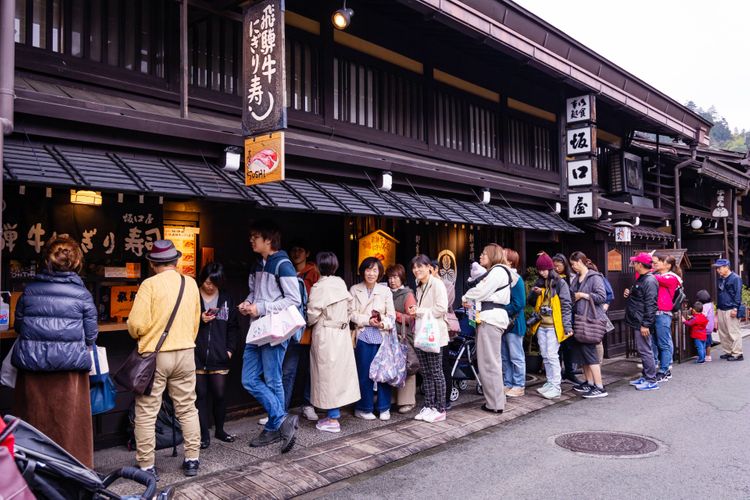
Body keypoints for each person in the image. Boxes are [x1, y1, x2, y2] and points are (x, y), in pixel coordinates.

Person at [12, 236, 98, 468]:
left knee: (33, 423)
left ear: (47, 261)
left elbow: (20, 326)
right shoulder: (83, 295)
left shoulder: (29, 291)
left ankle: (32, 472)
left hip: (32, 367)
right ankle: (72, 471)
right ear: (76, 262)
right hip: (70, 372)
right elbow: (91, 336)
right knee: (69, 427)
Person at [127, 239, 202, 477]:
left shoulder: (149, 285)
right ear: (176, 260)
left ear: (152, 263)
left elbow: (137, 324)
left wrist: (139, 333)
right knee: (188, 408)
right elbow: (195, 321)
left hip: (156, 356)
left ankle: (147, 464)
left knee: (147, 411)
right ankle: (192, 459)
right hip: (186, 352)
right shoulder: (190, 284)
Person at [239, 220, 300, 453]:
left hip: (274, 330)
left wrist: (261, 308)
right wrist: (248, 303)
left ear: (269, 240)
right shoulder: (257, 263)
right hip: (258, 328)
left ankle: (274, 427)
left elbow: (293, 300)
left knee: (274, 379)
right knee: (248, 379)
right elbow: (255, 293)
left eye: (256, 236)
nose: (251, 240)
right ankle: (282, 419)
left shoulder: (283, 264)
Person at [307, 252, 360, 433]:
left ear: (318, 267)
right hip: (342, 333)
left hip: (326, 333)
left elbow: (312, 315)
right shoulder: (340, 283)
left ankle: (332, 418)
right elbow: (350, 307)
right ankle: (334, 414)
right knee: (338, 375)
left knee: (327, 376)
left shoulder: (318, 287)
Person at [461, 243, 516, 414]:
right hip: (492, 318)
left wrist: (466, 296)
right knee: (492, 362)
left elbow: (482, 291)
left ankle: (495, 404)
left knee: (488, 363)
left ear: (492, 255)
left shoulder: (498, 270)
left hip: (490, 318)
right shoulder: (499, 271)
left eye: (484, 254)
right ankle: (497, 400)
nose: (481, 256)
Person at [194, 262, 239, 449]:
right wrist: (200, 320)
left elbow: (233, 327)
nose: (209, 285)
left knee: (219, 394)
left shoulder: (226, 298)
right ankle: (204, 434)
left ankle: (220, 430)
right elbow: (182, 322)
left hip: (220, 355)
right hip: (196, 354)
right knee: (200, 395)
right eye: (206, 281)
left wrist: (229, 350)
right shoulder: (193, 296)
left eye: (213, 282)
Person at [350, 257, 396, 420]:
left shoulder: (385, 291)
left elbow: (392, 315)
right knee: (364, 373)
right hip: (363, 334)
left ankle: (384, 408)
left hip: (382, 335)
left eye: (375, 270)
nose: (371, 273)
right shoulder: (355, 289)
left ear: (379, 273)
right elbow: (350, 313)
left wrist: (382, 322)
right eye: (368, 270)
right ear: (363, 271)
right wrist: (366, 320)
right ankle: (363, 408)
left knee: (383, 372)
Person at [282, 240, 321, 423]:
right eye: (294, 249)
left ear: (307, 253)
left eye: (300, 249)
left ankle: (307, 404)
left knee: (308, 369)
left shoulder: (314, 273)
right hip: (288, 327)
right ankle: (280, 409)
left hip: (309, 328)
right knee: (287, 370)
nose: (296, 253)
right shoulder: (285, 270)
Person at [410, 254, 450, 423]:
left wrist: (418, 311)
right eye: (414, 267)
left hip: (434, 335)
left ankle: (440, 408)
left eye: (420, 266)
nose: (416, 270)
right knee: (426, 372)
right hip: (422, 334)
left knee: (436, 372)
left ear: (429, 268)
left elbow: (441, 308)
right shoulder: (420, 286)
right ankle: (429, 405)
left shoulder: (437, 284)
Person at [527, 252, 572, 400]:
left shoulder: (560, 283)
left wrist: (567, 326)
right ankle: (550, 382)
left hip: (554, 325)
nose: (541, 273)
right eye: (539, 270)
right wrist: (535, 294)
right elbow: (531, 302)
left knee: (552, 355)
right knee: (545, 355)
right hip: (541, 325)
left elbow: (566, 305)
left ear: (550, 269)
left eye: (544, 270)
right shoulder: (539, 282)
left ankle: (556, 386)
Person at [568, 252, 608, 398]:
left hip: (591, 319)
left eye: (573, 264)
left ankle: (600, 387)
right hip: (579, 319)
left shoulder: (594, 277)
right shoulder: (577, 278)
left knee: (590, 353)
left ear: (580, 261)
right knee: (582, 353)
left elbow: (602, 297)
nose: (572, 267)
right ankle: (589, 383)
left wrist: (583, 295)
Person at [625, 252, 660, 391]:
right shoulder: (643, 279)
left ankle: (651, 380)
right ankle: (646, 376)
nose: (633, 265)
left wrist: (646, 324)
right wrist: (630, 292)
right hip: (638, 319)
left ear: (640, 264)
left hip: (642, 321)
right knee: (644, 349)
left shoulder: (649, 280)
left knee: (645, 350)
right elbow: (640, 297)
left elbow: (651, 304)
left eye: (635, 262)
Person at [387, 264, 417, 414]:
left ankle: (407, 401)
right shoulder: (387, 293)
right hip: (391, 336)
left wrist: (395, 315)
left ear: (402, 278)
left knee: (407, 367)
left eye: (396, 277)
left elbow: (412, 318)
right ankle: (393, 398)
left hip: (404, 337)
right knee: (393, 367)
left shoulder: (407, 294)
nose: (392, 280)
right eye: (390, 277)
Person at [552, 253, 584, 385]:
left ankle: (569, 372)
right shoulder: (552, 279)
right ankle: (558, 373)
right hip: (555, 315)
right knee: (557, 348)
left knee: (568, 346)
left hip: (568, 314)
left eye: (559, 265)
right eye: (554, 266)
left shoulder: (571, 278)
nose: (556, 268)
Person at [651, 254, 683, 381]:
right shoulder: (659, 275)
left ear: (668, 265)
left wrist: (648, 268)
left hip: (663, 313)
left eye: (659, 262)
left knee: (663, 343)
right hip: (655, 312)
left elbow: (652, 277)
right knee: (654, 342)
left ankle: (664, 370)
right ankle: (659, 368)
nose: (656, 264)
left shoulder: (671, 278)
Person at [502, 248, 526, 397]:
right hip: (504, 323)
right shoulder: (502, 276)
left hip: (514, 323)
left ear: (510, 261)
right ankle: (508, 383)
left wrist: (501, 309)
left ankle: (519, 385)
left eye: (503, 255)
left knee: (516, 356)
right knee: (504, 356)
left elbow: (520, 303)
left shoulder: (516, 279)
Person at [714, 258, 744, 361]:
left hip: (731, 308)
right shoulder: (721, 278)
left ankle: (737, 353)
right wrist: (717, 309)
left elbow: (738, 294)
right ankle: (728, 351)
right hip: (722, 308)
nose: (718, 270)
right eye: (717, 268)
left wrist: (735, 308)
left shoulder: (735, 278)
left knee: (733, 332)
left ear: (727, 267)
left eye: (720, 268)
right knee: (723, 332)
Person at [696, 289, 715, 362]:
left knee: (702, 342)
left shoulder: (704, 306)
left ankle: (702, 356)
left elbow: (703, 315)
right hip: (710, 327)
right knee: (709, 342)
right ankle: (708, 356)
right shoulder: (711, 305)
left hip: (705, 327)